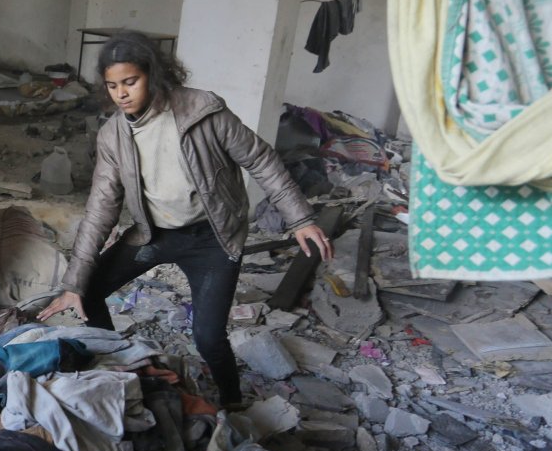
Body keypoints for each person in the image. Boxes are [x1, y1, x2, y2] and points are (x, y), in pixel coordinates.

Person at [38, 30, 332, 408]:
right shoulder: (113, 135)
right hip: (154, 235)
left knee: (208, 337)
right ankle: (124, 369)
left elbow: (260, 159)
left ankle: (231, 401)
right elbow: (101, 206)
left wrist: (300, 219)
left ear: (154, 74)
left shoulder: (202, 111)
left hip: (213, 238)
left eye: (130, 82)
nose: (121, 94)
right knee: (88, 291)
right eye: (112, 86)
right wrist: (73, 281)